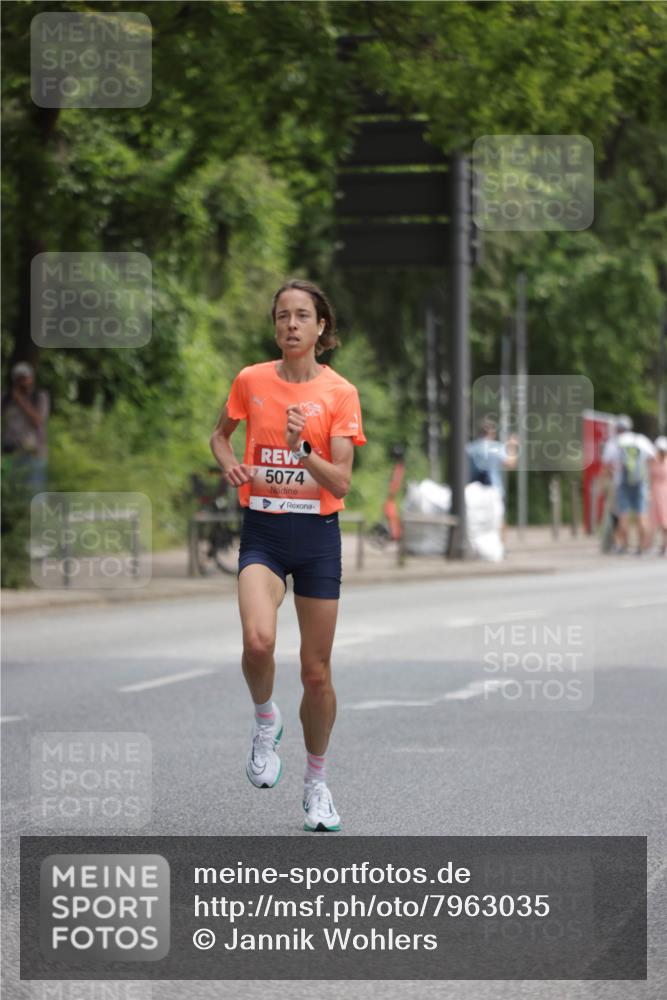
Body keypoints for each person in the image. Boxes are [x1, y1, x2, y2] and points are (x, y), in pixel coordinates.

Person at [209, 279, 365, 832]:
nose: (291, 324)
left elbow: (341, 482)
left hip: (318, 538)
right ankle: (264, 720)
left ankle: (316, 783)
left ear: (321, 327)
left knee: (316, 674)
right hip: (265, 533)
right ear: (275, 325)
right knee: (258, 642)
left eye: (302, 315)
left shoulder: (340, 393)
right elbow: (220, 435)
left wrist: (302, 450)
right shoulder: (251, 380)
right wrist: (229, 462)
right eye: (282, 315)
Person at [602, 415, 656, 554]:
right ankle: (642, 547)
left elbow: (606, 466)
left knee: (623, 516)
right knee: (642, 515)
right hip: (641, 482)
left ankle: (624, 546)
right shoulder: (640, 440)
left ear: (617, 429)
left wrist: (606, 481)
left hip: (621, 483)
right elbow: (653, 458)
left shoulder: (614, 443)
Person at [1, 362, 49, 493]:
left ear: (31, 379)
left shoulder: (39, 397)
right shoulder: (5, 398)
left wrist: (21, 401)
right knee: (11, 492)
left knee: (33, 492)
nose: (23, 382)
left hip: (34, 453)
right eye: (19, 379)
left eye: (25, 378)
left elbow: (38, 421)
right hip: (10, 451)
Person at [650, 436, 667, 555]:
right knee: (659, 520)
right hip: (657, 493)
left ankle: (664, 545)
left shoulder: (655, 462)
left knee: (663, 520)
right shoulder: (654, 461)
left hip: (662, 493)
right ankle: (662, 545)